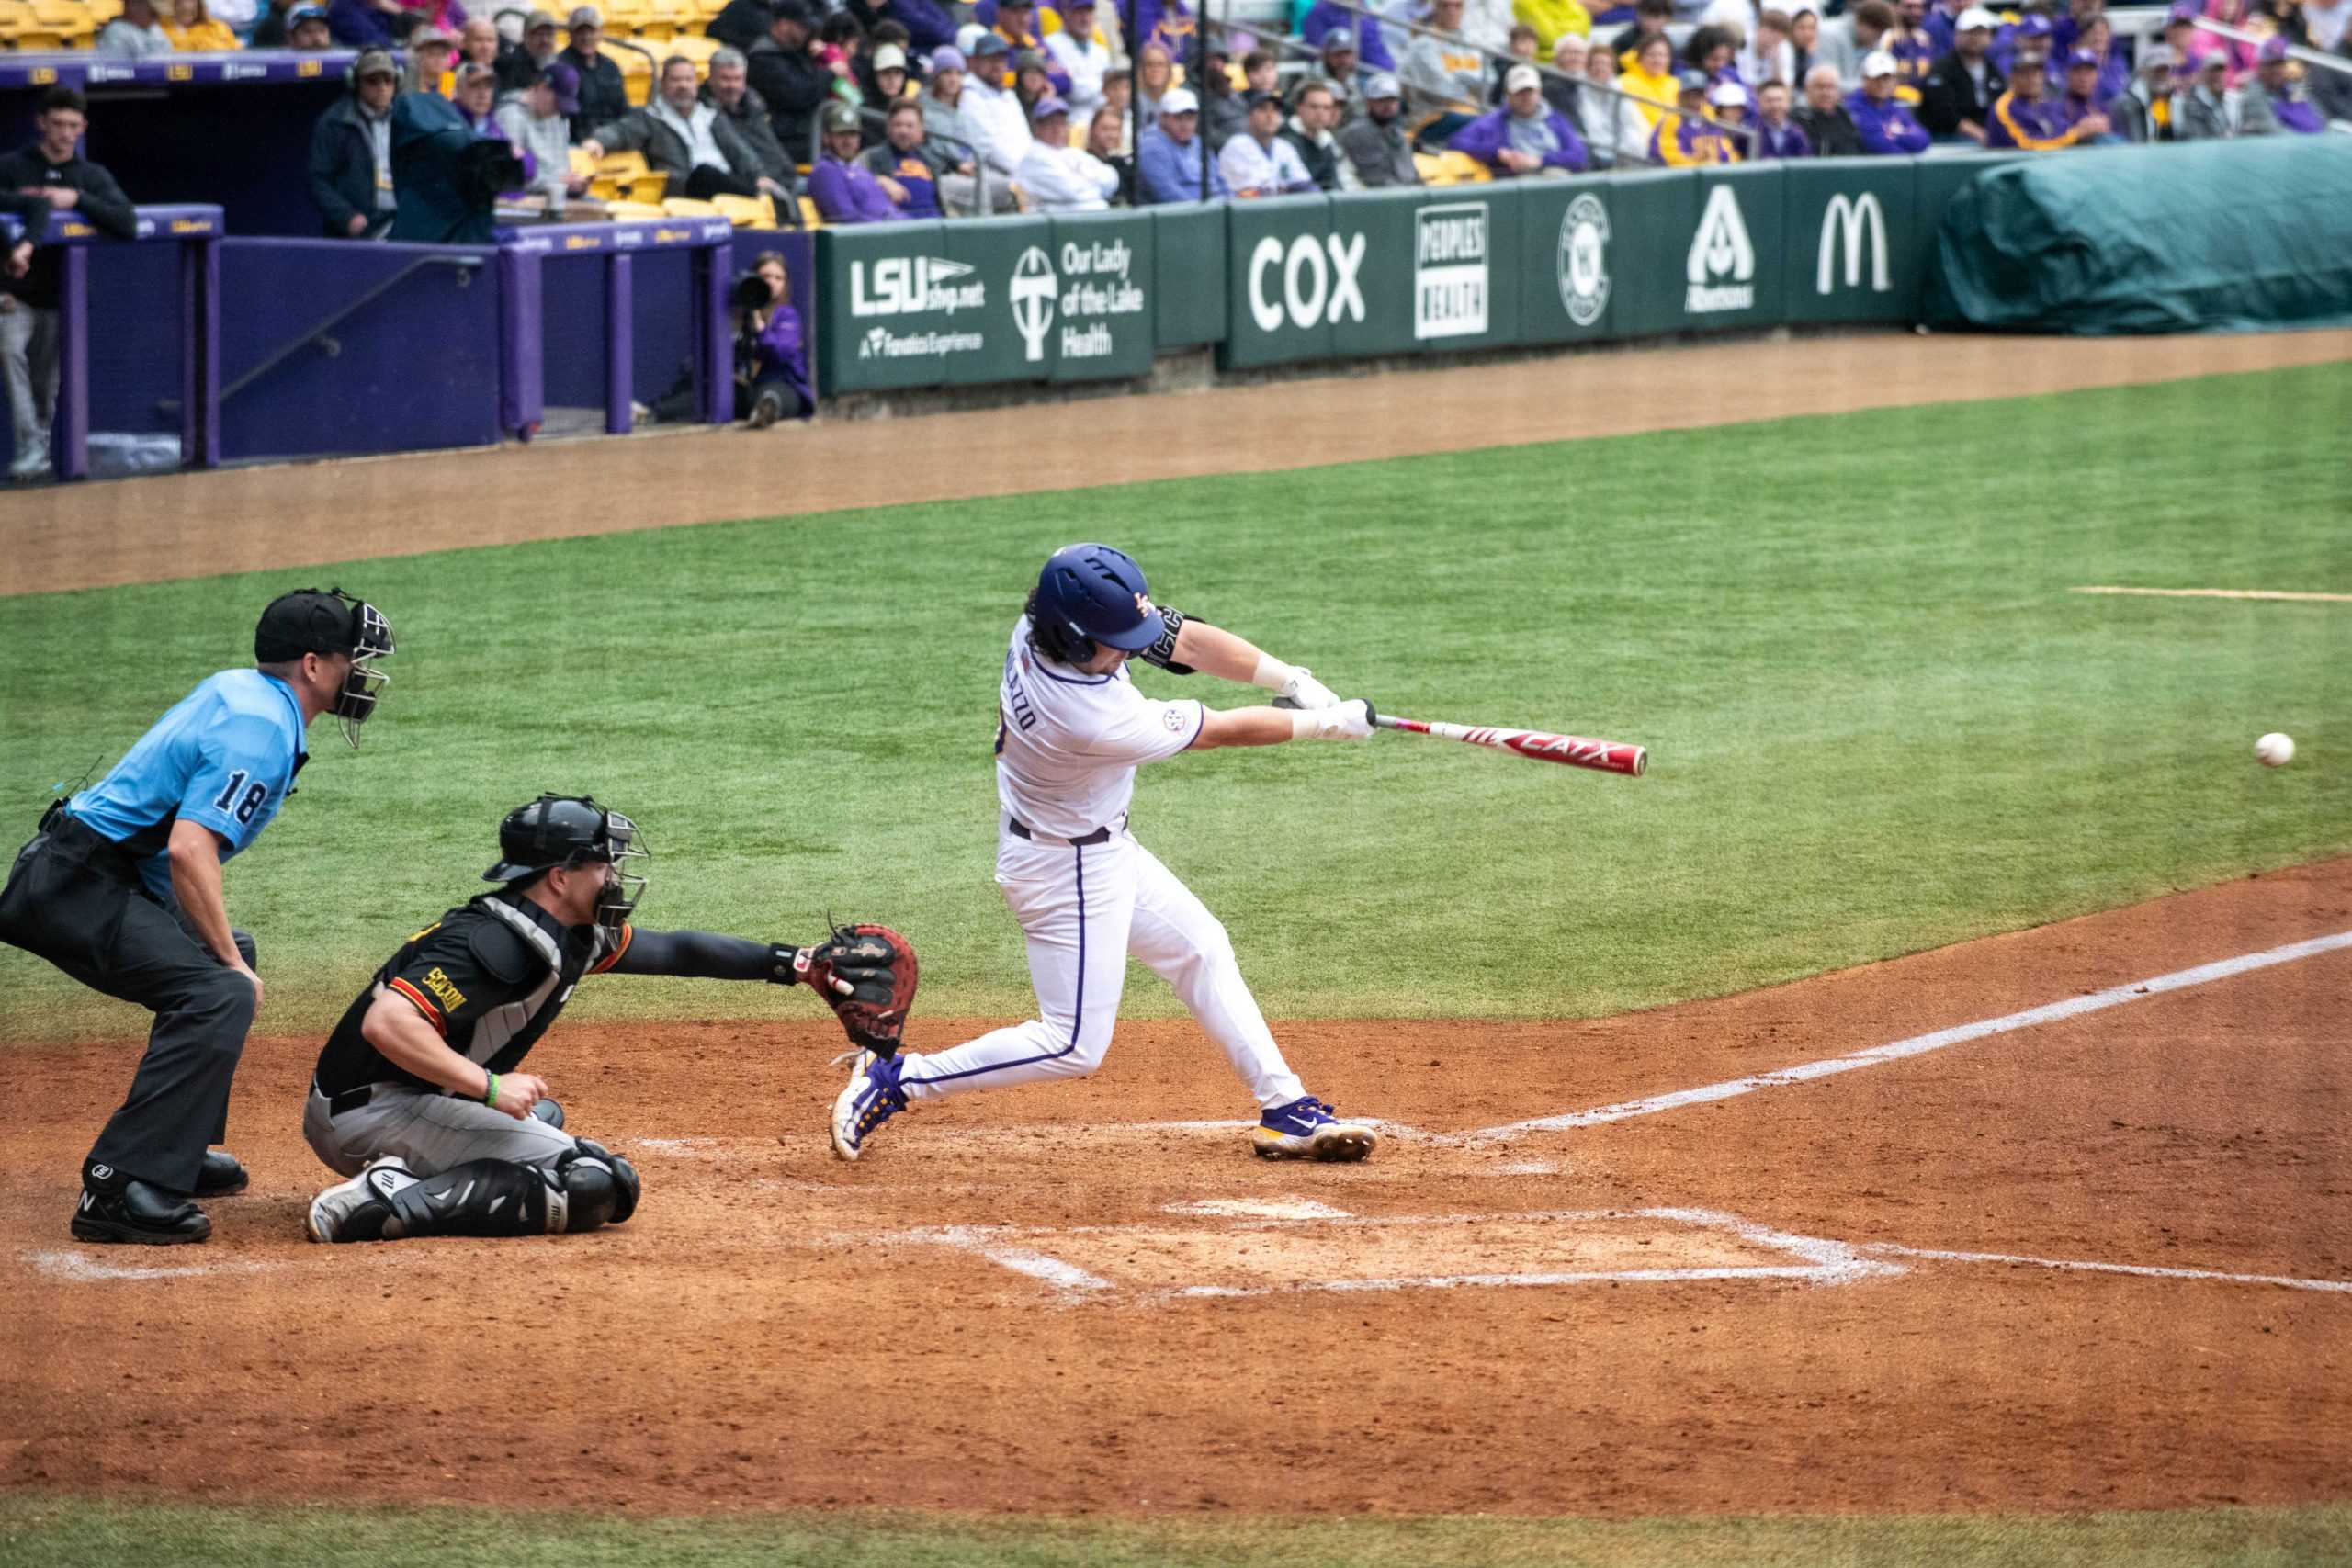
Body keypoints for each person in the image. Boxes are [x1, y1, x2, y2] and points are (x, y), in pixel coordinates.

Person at [827, 546, 1381, 1168]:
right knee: (1071, 1043)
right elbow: (1221, 728)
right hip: (1065, 871)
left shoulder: (1049, 623)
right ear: (1071, 636)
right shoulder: (1090, 718)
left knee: (1201, 946)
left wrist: (1292, 680)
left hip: (1097, 846)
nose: (1127, 651)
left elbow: (1186, 644)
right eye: (1114, 642)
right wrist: (1323, 725)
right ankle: (896, 1080)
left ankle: (1287, 1108)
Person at [304, 797, 907, 1243]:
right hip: (370, 1110)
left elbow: (676, 952)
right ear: (560, 877)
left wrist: (797, 965)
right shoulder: (496, 942)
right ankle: (389, 1198)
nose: (614, 876)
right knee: (598, 1184)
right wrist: (488, 1086)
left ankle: (407, 1166)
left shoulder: (565, 932)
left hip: (392, 1098)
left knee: (545, 1119)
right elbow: (387, 1021)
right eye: (602, 863)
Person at [0, 590, 394, 1245]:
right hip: (77, 883)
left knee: (225, 958)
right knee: (220, 987)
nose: (362, 671)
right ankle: (120, 1187)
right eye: (352, 657)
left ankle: (172, 1153)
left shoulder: (245, 692)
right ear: (313, 665)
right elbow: (188, 847)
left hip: (90, 870)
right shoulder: (262, 728)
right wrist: (230, 967)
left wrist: (223, 950)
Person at [1, 90, 136, 485]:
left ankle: (36, 452)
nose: (64, 134)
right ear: (40, 123)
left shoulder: (90, 176)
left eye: (73, 126)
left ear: (83, 128)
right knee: (9, 352)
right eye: (57, 124)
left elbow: (127, 222)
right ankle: (30, 447)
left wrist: (76, 199)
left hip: (62, 295)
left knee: (46, 383)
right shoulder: (11, 167)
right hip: (13, 291)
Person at [584, 56, 795, 204]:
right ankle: (756, 194)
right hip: (686, 186)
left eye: (688, 79)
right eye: (676, 80)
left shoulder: (710, 115)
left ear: (696, 84)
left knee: (775, 183)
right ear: (663, 84)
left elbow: (740, 151)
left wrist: (758, 175)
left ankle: (760, 194)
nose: (683, 85)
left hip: (726, 182)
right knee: (704, 172)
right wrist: (599, 141)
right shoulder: (651, 117)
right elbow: (622, 131)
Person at [390, 68, 517, 241]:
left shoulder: (487, 128)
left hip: (470, 228)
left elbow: (516, 171)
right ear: (459, 89)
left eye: (488, 87)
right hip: (430, 235)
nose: (482, 94)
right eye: (475, 86)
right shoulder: (441, 127)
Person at [310, 49, 402, 239]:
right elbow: (317, 180)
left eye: (388, 80)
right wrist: (347, 217)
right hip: (357, 228)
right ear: (355, 83)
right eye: (372, 81)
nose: (382, 87)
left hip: (400, 221)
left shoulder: (406, 118)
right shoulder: (335, 122)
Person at [1450, 62, 1592, 171]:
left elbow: (1578, 155)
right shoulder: (1493, 121)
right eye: (1519, 92)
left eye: (1529, 91)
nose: (1525, 97)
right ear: (1508, 95)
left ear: (1538, 92)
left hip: (1548, 175)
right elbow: (1457, 142)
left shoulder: (1555, 119)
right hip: (1510, 180)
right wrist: (1499, 153)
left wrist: (1540, 161)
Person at [704, 47, 801, 204]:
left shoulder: (753, 105)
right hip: (750, 187)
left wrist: (789, 174)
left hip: (784, 180)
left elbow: (772, 147)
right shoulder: (705, 113)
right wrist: (760, 178)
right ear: (710, 79)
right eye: (725, 79)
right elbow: (737, 154)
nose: (732, 86)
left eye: (737, 79)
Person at [498, 62, 589, 214]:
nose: (559, 109)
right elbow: (508, 177)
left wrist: (573, 183)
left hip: (556, 198)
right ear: (542, 87)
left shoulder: (559, 117)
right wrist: (557, 180)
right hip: (520, 205)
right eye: (557, 102)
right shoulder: (510, 116)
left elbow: (561, 168)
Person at [746, 0, 832, 159]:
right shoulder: (763, 58)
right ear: (784, 25)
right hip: (784, 141)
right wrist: (828, 74)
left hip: (807, 132)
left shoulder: (796, 52)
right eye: (802, 27)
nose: (807, 33)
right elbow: (799, 95)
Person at [1405, 0, 1494, 146]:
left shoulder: (1471, 42)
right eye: (1445, 6)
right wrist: (1471, 86)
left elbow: (1490, 82)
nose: (1451, 11)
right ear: (1435, 8)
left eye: (1457, 6)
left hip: (1471, 113)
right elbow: (1442, 91)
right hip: (1433, 118)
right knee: (1487, 126)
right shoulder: (1423, 44)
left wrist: (1457, 76)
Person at [804, 99, 906, 220]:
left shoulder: (859, 168)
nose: (848, 141)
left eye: (853, 134)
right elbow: (847, 218)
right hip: (873, 235)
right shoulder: (825, 171)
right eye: (841, 135)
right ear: (827, 138)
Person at [1917, 4, 2004, 140]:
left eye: (1981, 32)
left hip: (1987, 133)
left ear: (1990, 37)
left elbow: (2003, 103)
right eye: (1969, 32)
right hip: (1947, 137)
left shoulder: (1993, 69)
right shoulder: (1941, 69)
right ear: (1957, 35)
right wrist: (1981, 135)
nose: (1975, 38)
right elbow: (1943, 113)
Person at [1015, 94, 1118, 209]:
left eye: (1061, 122)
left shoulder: (1072, 152)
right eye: (1051, 122)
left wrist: (1081, 180)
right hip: (1053, 222)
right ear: (1037, 126)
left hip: (1089, 217)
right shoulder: (1034, 156)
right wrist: (1094, 183)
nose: (1057, 129)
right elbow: (1070, 191)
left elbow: (1112, 179)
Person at [1985, 49, 2106, 146]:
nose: (2033, 80)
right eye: (2025, 75)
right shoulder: (2004, 108)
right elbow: (2027, 144)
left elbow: (2062, 130)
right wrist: (2076, 134)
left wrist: (2087, 127)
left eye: (2037, 74)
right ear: (2012, 78)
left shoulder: (2043, 104)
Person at [1137, 85, 1231, 200]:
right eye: (1178, 118)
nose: (1185, 125)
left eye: (1190, 118)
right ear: (1163, 118)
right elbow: (1169, 194)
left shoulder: (1198, 142)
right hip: (1185, 214)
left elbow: (1220, 181)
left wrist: (1229, 204)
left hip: (1214, 207)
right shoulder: (1151, 146)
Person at [1217, 89, 1317, 196]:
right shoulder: (1236, 145)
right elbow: (1252, 194)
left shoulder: (1284, 147)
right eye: (1263, 109)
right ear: (1250, 116)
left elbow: (1306, 185)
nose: (1270, 115)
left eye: (1275, 110)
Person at [860, 98, 946, 214]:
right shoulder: (871, 156)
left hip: (937, 226)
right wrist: (878, 180)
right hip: (898, 226)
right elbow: (850, 178)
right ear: (888, 128)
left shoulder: (931, 160)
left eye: (910, 125)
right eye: (898, 124)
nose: (904, 131)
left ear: (921, 130)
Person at [1336, 70, 1422, 183]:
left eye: (1392, 100)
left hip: (1408, 193)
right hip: (1379, 196)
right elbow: (1374, 179)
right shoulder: (1356, 133)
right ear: (1369, 102)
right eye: (1381, 100)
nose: (1388, 105)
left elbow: (1412, 173)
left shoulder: (1398, 131)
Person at [1577, 39, 1653, 163]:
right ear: (1588, 66)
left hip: (1622, 150)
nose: (1601, 68)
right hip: (1596, 151)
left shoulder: (1618, 89)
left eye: (1606, 64)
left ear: (1612, 68)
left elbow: (1632, 123)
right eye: (1597, 63)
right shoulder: (1579, 91)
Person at [561, 7, 631, 140]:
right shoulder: (561, 67)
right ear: (570, 34)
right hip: (579, 142)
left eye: (591, 31)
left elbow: (623, 109)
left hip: (613, 137)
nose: (586, 37)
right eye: (580, 32)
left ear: (600, 33)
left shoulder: (610, 66)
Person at [2242, 35, 2327, 131]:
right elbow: (2274, 132)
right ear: (2260, 67)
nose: (2276, 70)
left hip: (2313, 142)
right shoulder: (2253, 96)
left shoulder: (2293, 88)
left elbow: (2321, 119)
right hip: (2279, 145)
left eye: (2280, 64)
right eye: (2271, 65)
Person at [1649, 68, 1739, 160]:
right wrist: (1696, 162)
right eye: (1688, 95)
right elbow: (1665, 155)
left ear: (1704, 97)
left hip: (1714, 172)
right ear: (1679, 96)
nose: (1693, 101)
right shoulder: (1669, 122)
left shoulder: (1711, 122)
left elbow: (1729, 154)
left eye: (1697, 95)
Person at [1848, 48, 1930, 148]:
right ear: (1865, 79)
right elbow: (1878, 145)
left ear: (1895, 80)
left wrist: (1892, 135)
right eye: (1876, 78)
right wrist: (1900, 134)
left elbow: (1923, 138)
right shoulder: (1853, 107)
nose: (1882, 83)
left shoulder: (1892, 107)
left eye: (1886, 78)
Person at [1045, 0, 1112, 121]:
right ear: (1066, 14)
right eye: (1079, 12)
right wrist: (1097, 87)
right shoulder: (1051, 44)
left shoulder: (1101, 52)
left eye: (1088, 12)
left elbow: (1107, 93)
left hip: (1098, 120)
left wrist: (1076, 83)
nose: (1085, 18)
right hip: (1067, 119)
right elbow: (1064, 87)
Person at [1283, 81, 1347, 190]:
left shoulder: (1326, 140)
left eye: (1326, 108)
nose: (1320, 113)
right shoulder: (1284, 142)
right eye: (1314, 107)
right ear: (1299, 107)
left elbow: (1332, 182)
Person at [2108, 43, 2175, 141]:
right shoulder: (2125, 104)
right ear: (2143, 71)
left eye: (2165, 70)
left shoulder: (2173, 101)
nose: (2162, 75)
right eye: (2157, 70)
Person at [1792, 59, 1863, 150]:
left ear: (1838, 91)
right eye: (1820, 87)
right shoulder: (1798, 119)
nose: (1825, 93)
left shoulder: (1845, 116)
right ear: (1807, 90)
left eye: (1830, 87)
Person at [1619, 31, 1680, 126]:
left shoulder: (1675, 84)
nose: (1658, 60)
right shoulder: (1624, 83)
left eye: (1663, 55)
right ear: (1639, 57)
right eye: (1651, 55)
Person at [2172, 51, 2237, 137]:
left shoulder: (2234, 99)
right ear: (2203, 72)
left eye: (2221, 69)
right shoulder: (2189, 101)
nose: (2217, 74)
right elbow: (2196, 135)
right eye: (2212, 70)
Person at [498, 10, 562, 91]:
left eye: (549, 34)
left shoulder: (559, 63)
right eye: (539, 34)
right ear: (525, 36)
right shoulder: (510, 64)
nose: (545, 40)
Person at [1750, 75, 1810, 153]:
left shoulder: (1797, 134)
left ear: (1788, 102)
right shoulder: (1750, 133)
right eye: (1769, 100)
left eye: (1779, 100)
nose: (1775, 105)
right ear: (1759, 103)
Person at [97, 0, 175, 56]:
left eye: (156, 14)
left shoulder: (153, 28)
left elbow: (166, 60)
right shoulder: (116, 31)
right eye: (152, 13)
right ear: (132, 5)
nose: (155, 18)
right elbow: (119, 71)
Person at [1516, 0, 1593, 55]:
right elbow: (1548, 38)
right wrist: (1568, 31)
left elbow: (1581, 40)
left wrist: (1557, 29)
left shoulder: (1579, 8)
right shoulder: (1524, 2)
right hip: (1539, 63)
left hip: (1573, 64)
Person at [162, 0, 241, 49]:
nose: (187, 6)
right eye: (180, 2)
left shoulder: (217, 28)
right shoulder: (160, 29)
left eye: (191, 0)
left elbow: (236, 54)